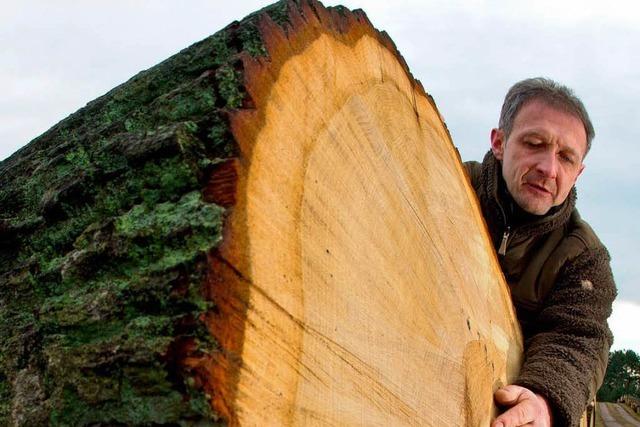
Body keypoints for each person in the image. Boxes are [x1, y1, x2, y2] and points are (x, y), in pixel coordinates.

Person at [463, 77, 617, 426]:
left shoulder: (584, 258)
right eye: (535, 144)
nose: (549, 169)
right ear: (499, 142)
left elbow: (577, 339)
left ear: (578, 173)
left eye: (566, 158)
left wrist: (544, 400)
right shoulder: (444, 185)